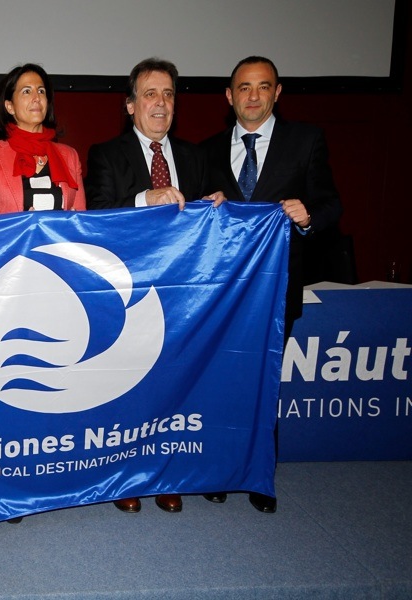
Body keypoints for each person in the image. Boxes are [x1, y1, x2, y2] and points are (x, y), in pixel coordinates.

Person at [201, 56, 343, 513]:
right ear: (229, 95)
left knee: (265, 384)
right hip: (223, 296)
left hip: (278, 290)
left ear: (278, 92)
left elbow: (330, 205)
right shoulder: (208, 149)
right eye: (244, 87)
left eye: (263, 87)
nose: (254, 96)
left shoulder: (305, 140)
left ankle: (261, 476)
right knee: (221, 383)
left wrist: (308, 217)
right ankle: (221, 469)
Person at [85, 58, 224, 515]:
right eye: (149, 94)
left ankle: (165, 473)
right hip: (128, 295)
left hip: (182, 296)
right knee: (127, 387)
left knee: (171, 386)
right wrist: (149, 197)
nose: (160, 104)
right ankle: (124, 475)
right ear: (130, 105)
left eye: (168, 94)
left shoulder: (196, 155)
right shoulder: (106, 153)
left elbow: (211, 228)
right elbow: (98, 214)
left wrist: (221, 205)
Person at [0, 63, 85, 214]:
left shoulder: (69, 156)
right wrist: (22, 227)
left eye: (41, 91)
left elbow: (81, 220)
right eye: (27, 91)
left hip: (61, 238)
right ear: (10, 106)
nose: (37, 98)